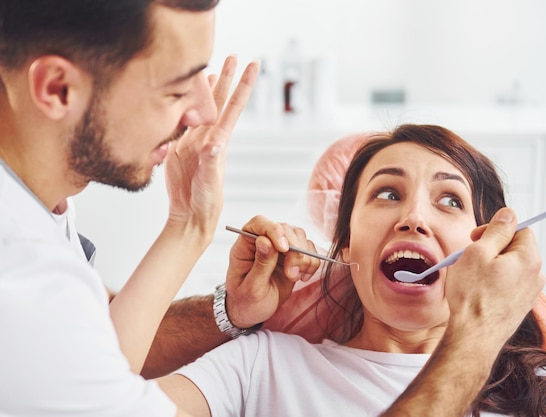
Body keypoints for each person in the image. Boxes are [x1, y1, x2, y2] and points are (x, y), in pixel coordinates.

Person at [0, 1, 541, 416]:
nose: (203, 112)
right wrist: (478, 332)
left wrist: (190, 229)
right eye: (176, 85)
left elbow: (88, 350)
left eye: (450, 199)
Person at [155, 124, 546, 416]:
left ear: (487, 248)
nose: (413, 217)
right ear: (345, 243)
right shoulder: (259, 368)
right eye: (388, 193)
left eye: (450, 200)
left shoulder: (536, 394)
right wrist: (186, 228)